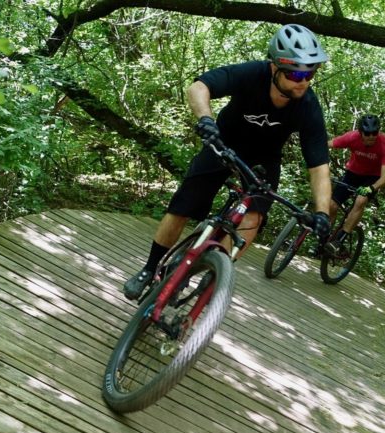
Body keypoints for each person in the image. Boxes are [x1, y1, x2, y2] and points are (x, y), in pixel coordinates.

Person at [123, 24, 333, 300]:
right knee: (184, 205)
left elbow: (318, 165)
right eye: (296, 73)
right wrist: (206, 120)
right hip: (223, 144)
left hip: (264, 159)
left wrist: (321, 212)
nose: (303, 81)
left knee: (254, 218)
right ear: (274, 68)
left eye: (310, 74)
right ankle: (149, 269)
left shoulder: (308, 106)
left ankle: (208, 272)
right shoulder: (251, 74)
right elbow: (199, 87)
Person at [324, 114, 385, 254]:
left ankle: (340, 239)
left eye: (374, 133)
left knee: (361, 200)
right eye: (367, 133)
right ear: (360, 132)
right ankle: (325, 238)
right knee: (332, 206)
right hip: (353, 174)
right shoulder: (352, 137)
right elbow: (328, 144)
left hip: (373, 178)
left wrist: (371, 189)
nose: (371, 136)